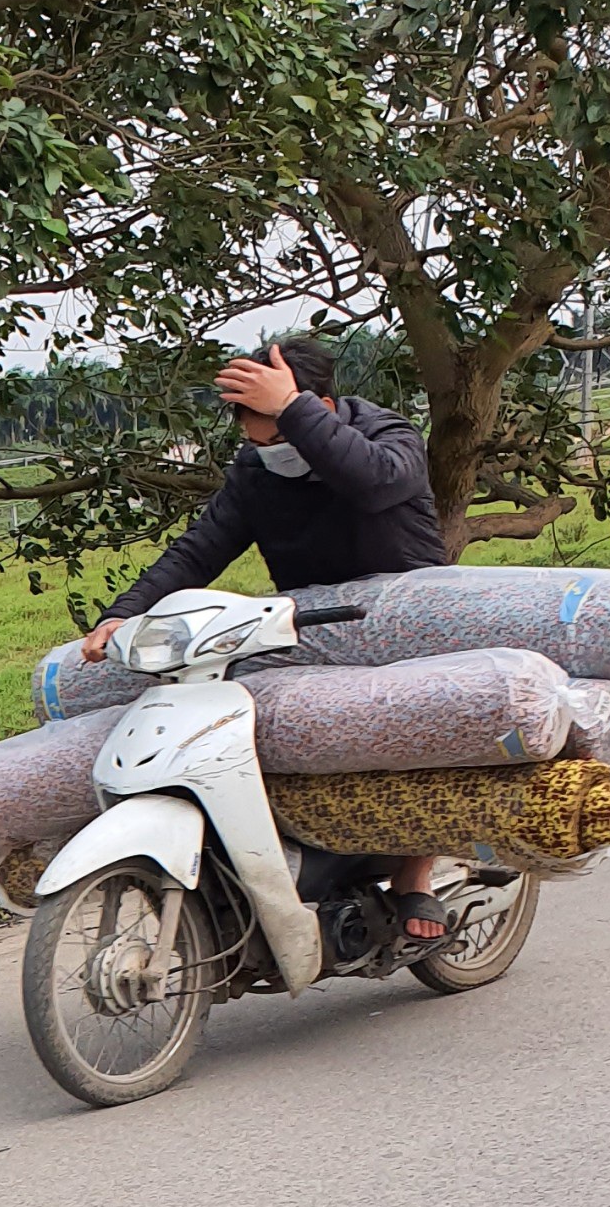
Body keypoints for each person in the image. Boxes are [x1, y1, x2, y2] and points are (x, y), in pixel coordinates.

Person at [79, 339, 456, 942]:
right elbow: (198, 550)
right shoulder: (256, 473)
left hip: (402, 624)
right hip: (313, 631)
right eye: (257, 439)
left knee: (418, 733)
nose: (268, 452)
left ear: (323, 407)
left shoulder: (391, 439)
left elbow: (375, 485)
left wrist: (294, 412)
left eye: (276, 435)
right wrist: (122, 616)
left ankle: (417, 875)